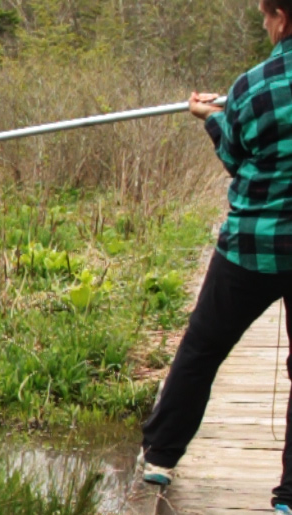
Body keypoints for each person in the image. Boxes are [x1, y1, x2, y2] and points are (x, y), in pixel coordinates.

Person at [139, 1, 292, 512]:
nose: (265, 25)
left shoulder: (253, 85)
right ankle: (290, 497)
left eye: (267, 17)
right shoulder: (254, 84)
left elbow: (234, 157)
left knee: (203, 347)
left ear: (283, 19)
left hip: (251, 245)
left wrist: (210, 117)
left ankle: (160, 458)